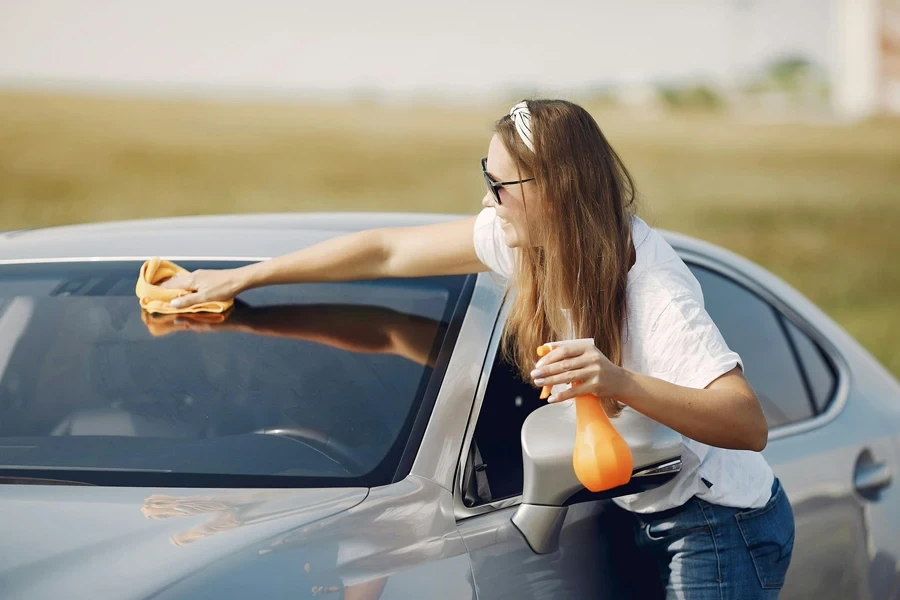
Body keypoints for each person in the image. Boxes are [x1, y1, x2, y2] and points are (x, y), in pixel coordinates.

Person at [162, 98, 795, 599]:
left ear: (554, 189)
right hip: (637, 510)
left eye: (501, 185)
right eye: (486, 178)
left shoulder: (651, 288)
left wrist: (616, 381)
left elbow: (746, 421)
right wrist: (244, 278)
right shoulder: (524, 238)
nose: (489, 199)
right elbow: (386, 251)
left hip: (718, 522)